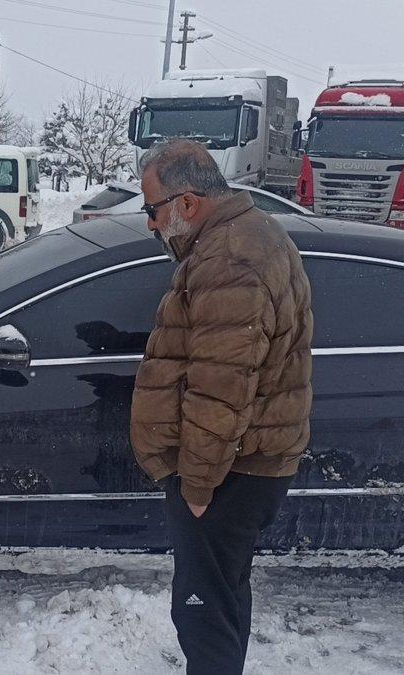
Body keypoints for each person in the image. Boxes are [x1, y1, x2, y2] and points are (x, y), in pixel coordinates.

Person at [129, 139, 313, 674]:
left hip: (228, 473)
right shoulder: (243, 236)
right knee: (221, 600)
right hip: (242, 465)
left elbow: (222, 386)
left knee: (204, 611)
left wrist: (199, 486)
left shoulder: (230, 258)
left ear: (187, 203)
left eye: (152, 210)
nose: (150, 225)